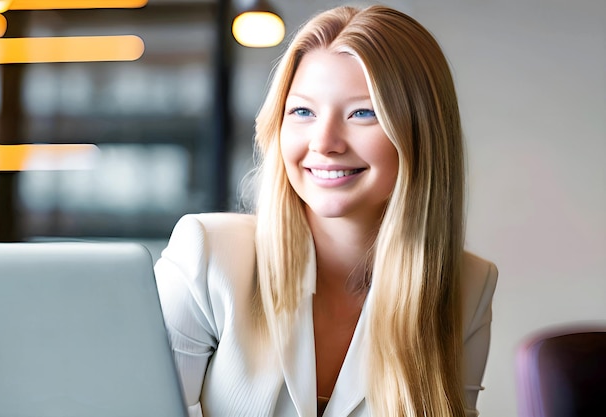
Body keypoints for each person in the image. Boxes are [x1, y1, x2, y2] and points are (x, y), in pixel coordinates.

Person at [154, 4, 498, 417]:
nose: (325, 142)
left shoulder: (469, 288)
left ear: (422, 135)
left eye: (362, 113)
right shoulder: (207, 257)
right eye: (303, 111)